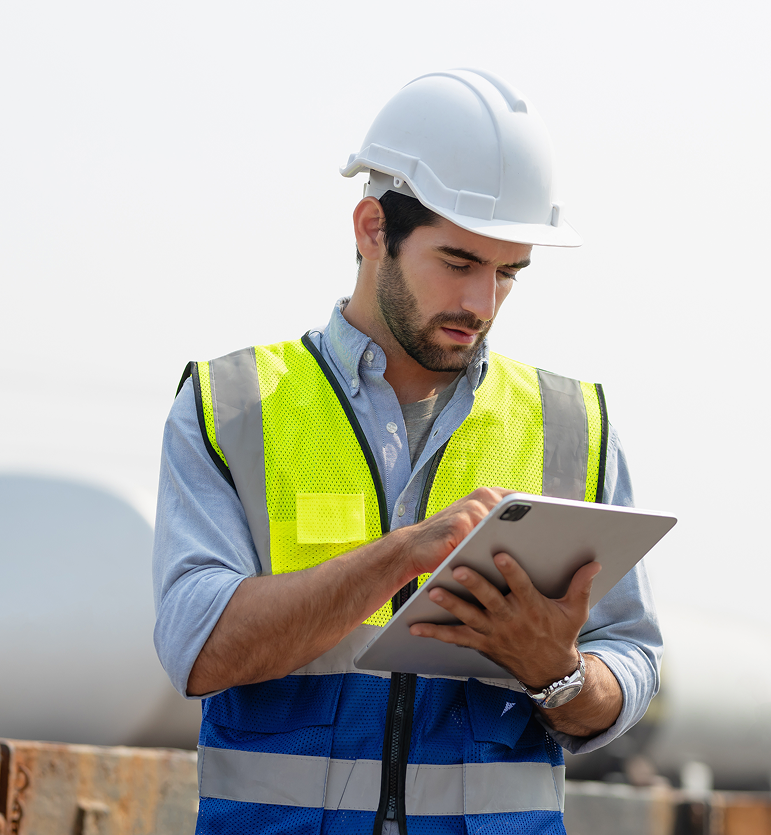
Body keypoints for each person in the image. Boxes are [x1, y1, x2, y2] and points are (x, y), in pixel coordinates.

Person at [153, 69, 662, 835]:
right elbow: (199, 648)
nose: (481, 304)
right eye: (457, 263)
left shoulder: (573, 423)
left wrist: (557, 674)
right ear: (370, 230)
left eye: (507, 273)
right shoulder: (232, 406)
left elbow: (630, 659)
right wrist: (405, 554)